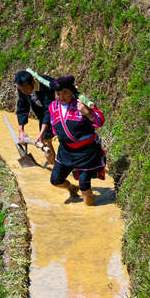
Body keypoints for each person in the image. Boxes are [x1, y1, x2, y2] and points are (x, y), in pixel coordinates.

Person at [39, 75, 106, 206]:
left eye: (65, 93)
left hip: (86, 152)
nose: (61, 97)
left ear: (72, 92)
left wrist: (87, 113)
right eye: (58, 94)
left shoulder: (82, 105)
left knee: (84, 185)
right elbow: (55, 127)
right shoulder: (53, 107)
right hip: (66, 151)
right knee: (56, 180)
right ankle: (71, 188)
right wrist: (47, 140)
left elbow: (100, 121)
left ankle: (89, 210)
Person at [14, 70, 56, 164]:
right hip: (42, 112)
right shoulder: (22, 88)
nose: (24, 92)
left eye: (26, 89)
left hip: (60, 110)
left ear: (33, 82)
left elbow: (48, 110)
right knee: (45, 141)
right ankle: (53, 165)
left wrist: (41, 133)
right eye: (21, 90)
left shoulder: (45, 85)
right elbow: (22, 106)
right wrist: (21, 130)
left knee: (66, 139)